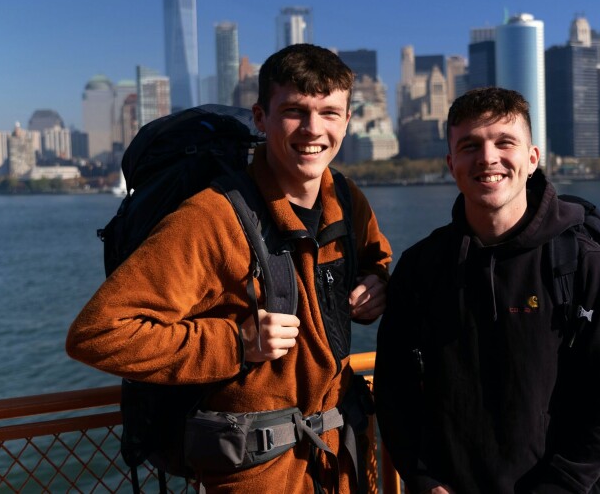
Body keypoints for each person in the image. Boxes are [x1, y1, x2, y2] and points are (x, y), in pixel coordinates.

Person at [67, 44, 392, 493]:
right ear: (260, 118)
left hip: (342, 460)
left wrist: (377, 286)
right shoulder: (211, 217)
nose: (313, 129)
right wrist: (234, 342)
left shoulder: (348, 200)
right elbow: (98, 334)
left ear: (348, 121)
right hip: (256, 473)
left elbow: (376, 260)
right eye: (294, 111)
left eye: (329, 112)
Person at [374, 87, 600, 493]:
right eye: (470, 146)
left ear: (532, 159)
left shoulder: (581, 262)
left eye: (504, 142)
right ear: (451, 164)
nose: (488, 158)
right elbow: (394, 390)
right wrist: (424, 480)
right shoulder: (420, 267)